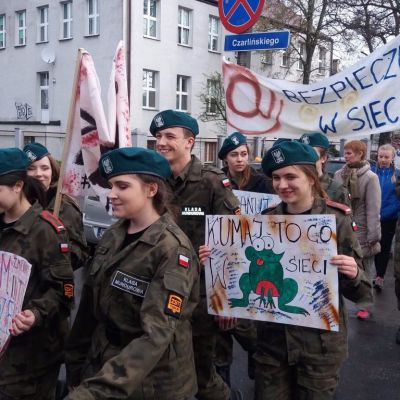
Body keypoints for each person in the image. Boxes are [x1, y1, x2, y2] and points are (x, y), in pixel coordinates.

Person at [64, 147, 200, 400]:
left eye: (122, 187)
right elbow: (88, 311)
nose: (111, 194)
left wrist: (93, 392)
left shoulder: (171, 249)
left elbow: (155, 335)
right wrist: (75, 368)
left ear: (151, 190)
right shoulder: (114, 234)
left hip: (152, 384)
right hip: (101, 366)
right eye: (112, 185)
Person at [252, 140, 371, 399]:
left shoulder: (336, 221)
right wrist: (220, 261)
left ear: (310, 177)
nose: (282, 185)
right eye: (276, 177)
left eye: (290, 176)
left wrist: (353, 273)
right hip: (272, 345)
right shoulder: (264, 221)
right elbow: (251, 272)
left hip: (319, 348)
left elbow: (363, 292)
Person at [150, 110, 242, 400]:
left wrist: (226, 302)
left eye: (169, 137)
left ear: (190, 142)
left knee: (204, 373)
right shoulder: (154, 181)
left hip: (202, 295)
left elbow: (235, 240)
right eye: (158, 137)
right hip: (162, 292)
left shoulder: (211, 182)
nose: (161, 142)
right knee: (164, 372)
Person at [0, 148, 74, 400]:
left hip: (30, 358)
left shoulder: (46, 230)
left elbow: (63, 291)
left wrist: (36, 313)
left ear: (17, 185)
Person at [215, 132, 274, 384]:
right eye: (233, 155)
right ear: (225, 158)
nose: (240, 159)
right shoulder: (217, 182)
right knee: (223, 319)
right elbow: (201, 212)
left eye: (243, 154)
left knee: (250, 315)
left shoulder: (262, 182)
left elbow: (274, 216)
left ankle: (254, 353)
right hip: (224, 254)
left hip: (256, 254)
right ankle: (224, 374)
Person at [334, 140, 381, 320]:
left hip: (362, 229)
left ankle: (365, 305)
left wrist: (374, 236)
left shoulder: (370, 177)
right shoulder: (339, 175)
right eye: (345, 153)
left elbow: (373, 209)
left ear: (361, 154)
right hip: (342, 227)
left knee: (365, 270)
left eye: (350, 153)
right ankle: (339, 304)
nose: (346, 156)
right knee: (341, 269)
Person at [23, 143, 88, 271]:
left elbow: (80, 254)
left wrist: (53, 251)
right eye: (31, 168)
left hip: (50, 286)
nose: (39, 174)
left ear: (52, 171)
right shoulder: (15, 204)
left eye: (44, 168)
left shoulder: (66, 207)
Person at [370, 144, 400, 291]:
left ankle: (380, 276)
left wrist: (387, 213)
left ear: (392, 158)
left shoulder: (397, 175)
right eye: (381, 156)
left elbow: (398, 200)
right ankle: (372, 273)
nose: (383, 159)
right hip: (372, 218)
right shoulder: (371, 172)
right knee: (373, 246)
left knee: (384, 247)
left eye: (386, 157)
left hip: (389, 219)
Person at [299, 132, 350, 205]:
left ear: (323, 158)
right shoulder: (290, 186)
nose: (305, 158)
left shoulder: (337, 190)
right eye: (301, 154)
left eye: (311, 154)